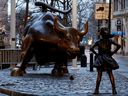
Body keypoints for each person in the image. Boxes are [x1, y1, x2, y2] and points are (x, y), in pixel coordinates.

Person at [90, 27, 121, 94]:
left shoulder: (98, 42)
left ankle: (96, 90)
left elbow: (91, 48)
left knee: (99, 75)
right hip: (108, 58)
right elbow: (119, 46)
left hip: (100, 59)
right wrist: (112, 53)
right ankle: (114, 90)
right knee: (110, 74)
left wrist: (97, 54)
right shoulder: (110, 41)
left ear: (101, 34)